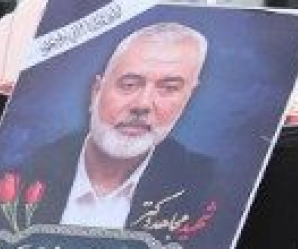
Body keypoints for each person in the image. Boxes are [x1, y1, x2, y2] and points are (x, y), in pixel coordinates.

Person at [23, 22, 217, 232]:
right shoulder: (25, 170)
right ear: (96, 92)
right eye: (129, 84)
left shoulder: (209, 187)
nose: (142, 105)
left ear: (188, 99)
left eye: (169, 88)